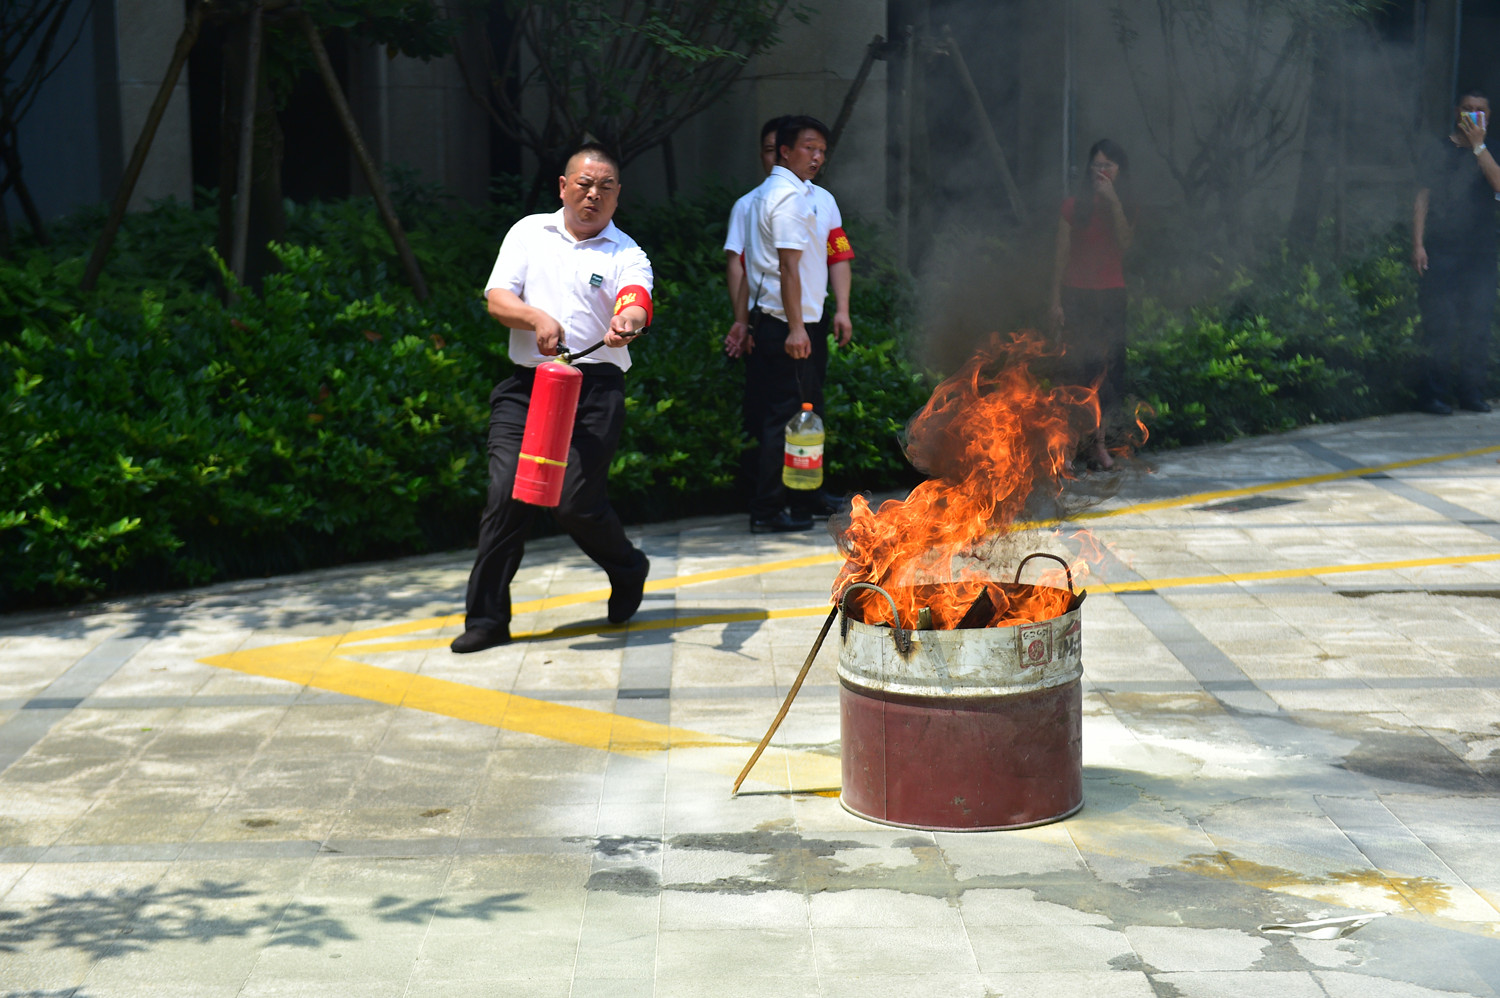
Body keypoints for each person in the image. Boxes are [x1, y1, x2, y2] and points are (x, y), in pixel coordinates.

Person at [452, 143, 653, 654]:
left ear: (617, 196)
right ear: (562, 187)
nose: (593, 195)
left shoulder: (626, 252)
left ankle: (628, 568)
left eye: (605, 187)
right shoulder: (528, 232)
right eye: (584, 184)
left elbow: (636, 300)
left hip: (595, 389)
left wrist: (627, 321)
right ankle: (488, 618)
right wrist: (537, 319)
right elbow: (498, 298)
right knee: (506, 496)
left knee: (574, 502)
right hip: (528, 387)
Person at [732, 115, 856, 533]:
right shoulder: (784, 198)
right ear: (784, 151)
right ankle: (768, 509)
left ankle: (802, 501)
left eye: (822, 149)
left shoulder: (806, 195)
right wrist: (797, 328)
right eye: (808, 147)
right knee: (785, 415)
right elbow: (787, 269)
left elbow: (835, 254)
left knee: (805, 412)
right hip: (788, 324)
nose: (817, 156)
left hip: (802, 322)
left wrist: (837, 311)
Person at [1412, 89, 1500, 415]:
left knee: (1478, 324)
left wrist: (1479, 146)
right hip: (1441, 250)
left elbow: (1499, 185)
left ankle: (1471, 393)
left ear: (1487, 117)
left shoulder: (1491, 150)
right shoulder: (1438, 150)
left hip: (1481, 254)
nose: (1472, 113)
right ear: (1456, 112)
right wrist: (1418, 244)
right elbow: (1422, 197)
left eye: (1479, 110)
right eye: (1467, 108)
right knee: (1440, 324)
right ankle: (1432, 395)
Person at [1050, 139, 1133, 471]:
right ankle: (1067, 452)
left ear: (1120, 171)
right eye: (1097, 166)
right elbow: (1060, 256)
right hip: (1076, 294)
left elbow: (1126, 247)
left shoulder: (1125, 207)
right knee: (1073, 375)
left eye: (1108, 166)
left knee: (1105, 375)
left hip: (1111, 296)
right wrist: (1054, 301)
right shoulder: (1072, 206)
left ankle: (1098, 448)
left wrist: (1113, 204)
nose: (1102, 172)